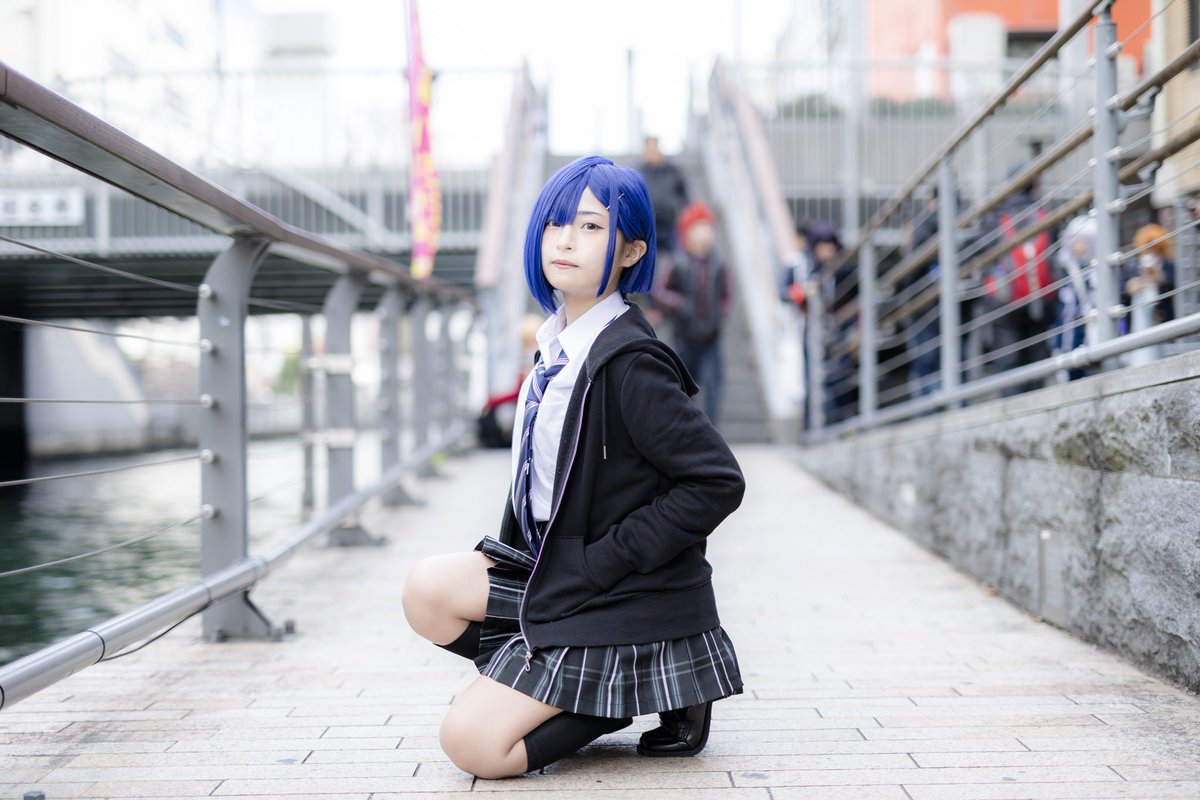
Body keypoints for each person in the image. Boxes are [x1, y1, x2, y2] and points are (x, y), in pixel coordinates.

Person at [401, 155, 745, 779]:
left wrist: (604, 559)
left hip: (617, 592)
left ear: (632, 251)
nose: (565, 240)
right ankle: (562, 680)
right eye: (556, 223)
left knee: (474, 746)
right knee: (427, 591)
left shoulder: (632, 364)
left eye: (590, 227)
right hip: (555, 573)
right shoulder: (555, 347)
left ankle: (629, 689)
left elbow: (716, 481)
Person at [652, 201, 731, 422]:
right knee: (684, 386)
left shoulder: (719, 263)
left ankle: (710, 430)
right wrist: (679, 304)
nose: (706, 233)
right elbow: (659, 291)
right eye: (700, 227)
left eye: (709, 228)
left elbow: (726, 295)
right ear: (688, 232)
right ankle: (686, 429)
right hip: (684, 335)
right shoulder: (677, 261)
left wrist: (719, 314)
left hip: (711, 336)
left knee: (714, 386)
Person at [639, 136, 689, 254]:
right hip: (648, 226)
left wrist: (682, 213)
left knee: (676, 256)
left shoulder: (673, 171)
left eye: (654, 148)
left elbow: (684, 196)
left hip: (670, 225)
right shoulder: (639, 173)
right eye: (648, 149)